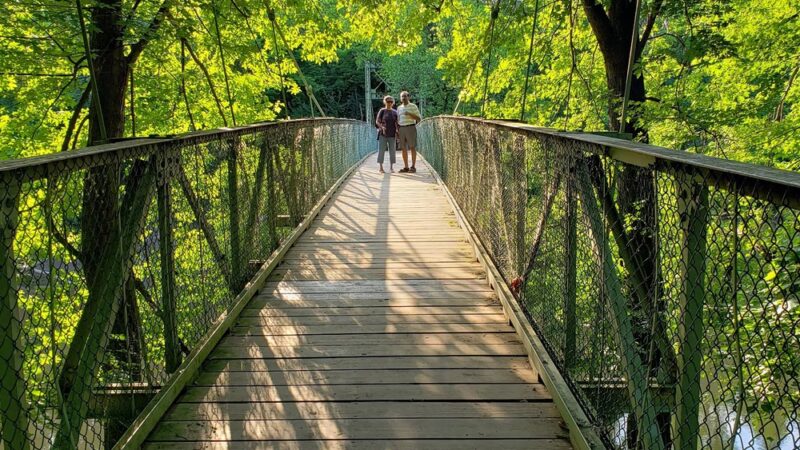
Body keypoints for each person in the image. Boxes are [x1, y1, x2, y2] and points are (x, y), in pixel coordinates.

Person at [397, 91, 422, 173]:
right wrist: (397, 130)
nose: (403, 98)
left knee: (412, 147)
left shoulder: (413, 106)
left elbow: (419, 118)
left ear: (409, 97)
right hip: (401, 128)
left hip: (410, 127)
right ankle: (406, 167)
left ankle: (413, 167)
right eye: (402, 96)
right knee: (403, 148)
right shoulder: (399, 108)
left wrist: (409, 113)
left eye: (405, 96)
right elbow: (398, 119)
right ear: (400, 98)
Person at [375, 95, 398, 173]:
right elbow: (377, 121)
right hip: (383, 134)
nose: (390, 103)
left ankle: (391, 168)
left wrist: (398, 131)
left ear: (393, 103)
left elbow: (397, 123)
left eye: (391, 101)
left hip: (392, 134)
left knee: (392, 151)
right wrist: (382, 127)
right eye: (388, 101)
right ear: (385, 102)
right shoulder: (382, 110)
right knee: (381, 150)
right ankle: (381, 168)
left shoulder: (395, 112)